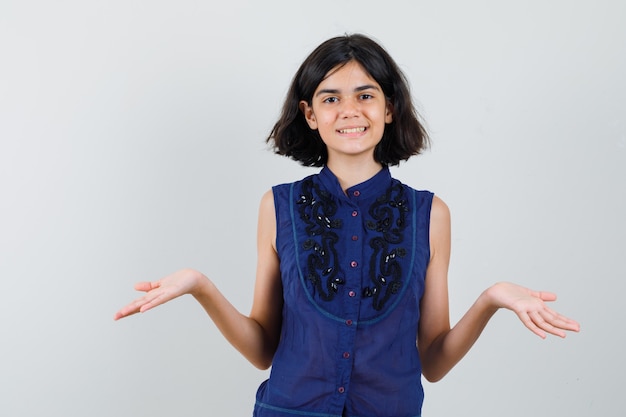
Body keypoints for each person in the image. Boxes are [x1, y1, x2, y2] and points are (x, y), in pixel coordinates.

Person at [114, 33, 580, 417]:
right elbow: (263, 349)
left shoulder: (430, 214)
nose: (350, 110)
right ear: (310, 114)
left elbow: (433, 362)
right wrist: (201, 287)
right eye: (330, 98)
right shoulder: (279, 206)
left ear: (389, 108)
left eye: (366, 95)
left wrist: (491, 299)